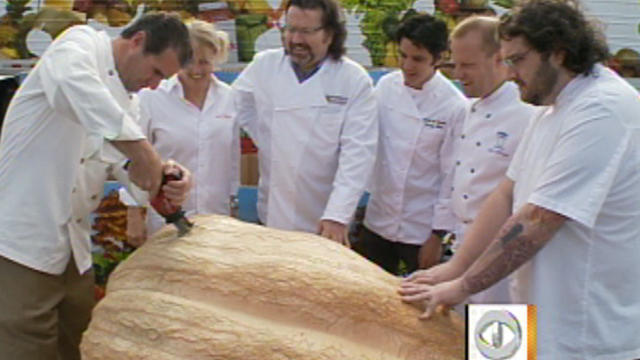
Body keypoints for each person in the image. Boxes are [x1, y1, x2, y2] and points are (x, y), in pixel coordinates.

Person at [400, 1, 640, 358]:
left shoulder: (604, 108)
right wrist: (457, 266)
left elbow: (540, 219)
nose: (510, 73)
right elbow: (506, 193)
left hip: (580, 331)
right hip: (521, 306)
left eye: (518, 60)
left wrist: (462, 286)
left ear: (557, 53)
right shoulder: (550, 109)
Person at [0, 13, 193, 360]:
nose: (154, 86)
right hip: (21, 248)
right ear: (137, 41)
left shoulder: (127, 103)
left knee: (79, 346)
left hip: (74, 253)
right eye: (156, 73)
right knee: (25, 350)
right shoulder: (78, 44)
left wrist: (162, 179)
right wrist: (141, 150)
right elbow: (78, 87)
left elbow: (124, 167)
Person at [232, 0, 377, 245]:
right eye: (290, 29)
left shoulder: (353, 80)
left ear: (329, 34)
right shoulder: (265, 65)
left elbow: (358, 155)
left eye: (306, 32)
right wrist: (269, 139)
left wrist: (337, 215)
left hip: (325, 221)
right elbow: (234, 106)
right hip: (272, 215)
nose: (296, 39)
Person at [420, 16, 539, 302]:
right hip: (462, 247)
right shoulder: (466, 110)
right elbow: (454, 178)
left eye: (468, 65)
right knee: (456, 342)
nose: (459, 74)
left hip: (502, 260)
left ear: (499, 58)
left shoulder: (528, 114)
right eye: (455, 64)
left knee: (498, 345)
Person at [358, 13, 467, 275]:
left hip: (422, 228)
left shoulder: (454, 106)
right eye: (403, 56)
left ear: (439, 58)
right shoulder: (385, 87)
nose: (407, 66)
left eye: (417, 59)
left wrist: (436, 236)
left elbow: (450, 176)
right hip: (378, 221)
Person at [137, 20, 240, 235]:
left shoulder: (230, 98)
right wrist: (134, 212)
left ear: (216, 56)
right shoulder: (152, 97)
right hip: (165, 219)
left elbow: (232, 158)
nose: (195, 70)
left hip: (216, 218)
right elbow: (134, 158)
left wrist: (233, 204)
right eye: (188, 61)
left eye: (204, 62)